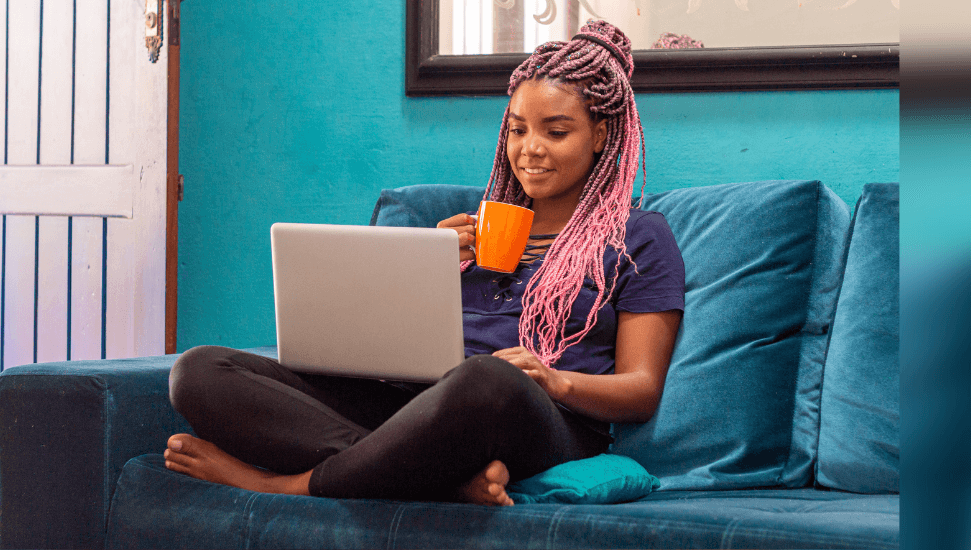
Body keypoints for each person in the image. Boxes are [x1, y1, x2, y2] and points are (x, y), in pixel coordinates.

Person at [163, 20, 684, 507]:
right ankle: (437, 477)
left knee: (487, 379)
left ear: (600, 136)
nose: (530, 150)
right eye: (518, 130)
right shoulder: (470, 231)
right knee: (200, 370)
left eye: (556, 131)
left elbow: (641, 389)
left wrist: (552, 380)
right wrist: (426, 266)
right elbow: (383, 346)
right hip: (418, 407)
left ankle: (284, 485)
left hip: (538, 417)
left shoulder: (638, 237)